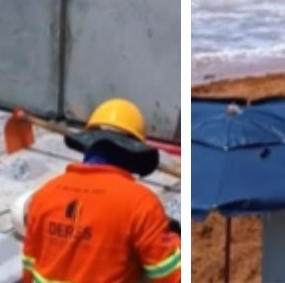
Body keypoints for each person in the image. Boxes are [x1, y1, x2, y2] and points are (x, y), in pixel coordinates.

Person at [21, 98, 181, 283]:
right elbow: (170, 275)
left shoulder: (44, 195)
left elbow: (28, 268)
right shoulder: (141, 204)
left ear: (88, 145)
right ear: (133, 152)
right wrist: (173, 240)